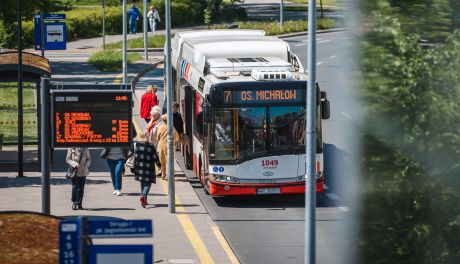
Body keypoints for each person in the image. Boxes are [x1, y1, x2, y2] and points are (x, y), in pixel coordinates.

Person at [128, 134, 161, 208]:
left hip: (138, 167)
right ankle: (144, 196)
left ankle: (143, 198)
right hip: (149, 168)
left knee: (142, 182)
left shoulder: (135, 145)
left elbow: (129, 154)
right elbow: (155, 157)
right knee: (148, 183)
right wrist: (159, 165)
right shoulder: (150, 146)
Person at [156, 114, 179, 180]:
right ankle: (169, 175)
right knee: (169, 162)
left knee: (162, 162)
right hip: (170, 147)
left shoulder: (160, 127)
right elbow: (177, 137)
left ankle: (163, 175)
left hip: (161, 146)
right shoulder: (172, 127)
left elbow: (158, 137)